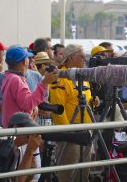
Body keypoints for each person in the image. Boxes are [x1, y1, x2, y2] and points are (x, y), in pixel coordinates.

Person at [49, 44, 97, 182]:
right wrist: (68, 134)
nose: (85, 59)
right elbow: (58, 108)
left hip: (86, 131)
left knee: (83, 174)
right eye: (82, 56)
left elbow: (83, 99)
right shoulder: (59, 77)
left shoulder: (82, 75)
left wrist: (93, 101)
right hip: (71, 133)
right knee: (68, 175)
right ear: (70, 57)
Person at [1, 46, 57, 128]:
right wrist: (44, 82)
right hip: (18, 130)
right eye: (28, 58)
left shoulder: (9, 77)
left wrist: (34, 107)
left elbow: (24, 103)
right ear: (24, 61)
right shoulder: (15, 79)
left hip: (14, 128)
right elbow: (28, 104)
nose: (31, 60)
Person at [8, 112, 42, 182]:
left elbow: (35, 178)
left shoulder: (31, 143)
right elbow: (19, 180)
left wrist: (31, 172)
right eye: (29, 129)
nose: (32, 134)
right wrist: (29, 151)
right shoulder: (4, 144)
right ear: (16, 128)